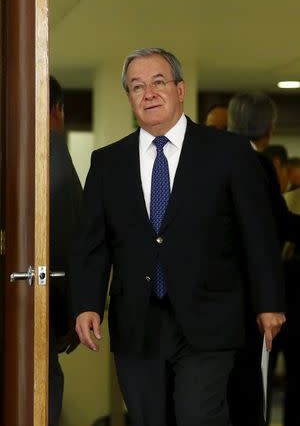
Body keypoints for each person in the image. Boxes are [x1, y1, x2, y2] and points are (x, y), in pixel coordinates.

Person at [72, 48, 285, 426]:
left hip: (210, 317)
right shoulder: (107, 162)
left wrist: (268, 302)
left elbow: (258, 232)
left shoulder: (228, 153)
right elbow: (94, 243)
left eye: (158, 82)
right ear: (129, 98)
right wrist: (86, 303)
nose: (148, 93)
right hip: (137, 320)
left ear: (181, 89)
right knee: (148, 418)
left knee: (198, 415)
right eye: (137, 86)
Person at [227, 91, 300, 426]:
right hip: (251, 296)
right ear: (268, 129)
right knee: (251, 387)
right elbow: (278, 224)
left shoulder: (206, 160)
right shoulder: (256, 165)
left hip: (210, 296)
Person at [49, 76, 82, 426]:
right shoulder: (52, 151)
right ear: (57, 109)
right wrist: (71, 312)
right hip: (42, 314)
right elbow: (69, 240)